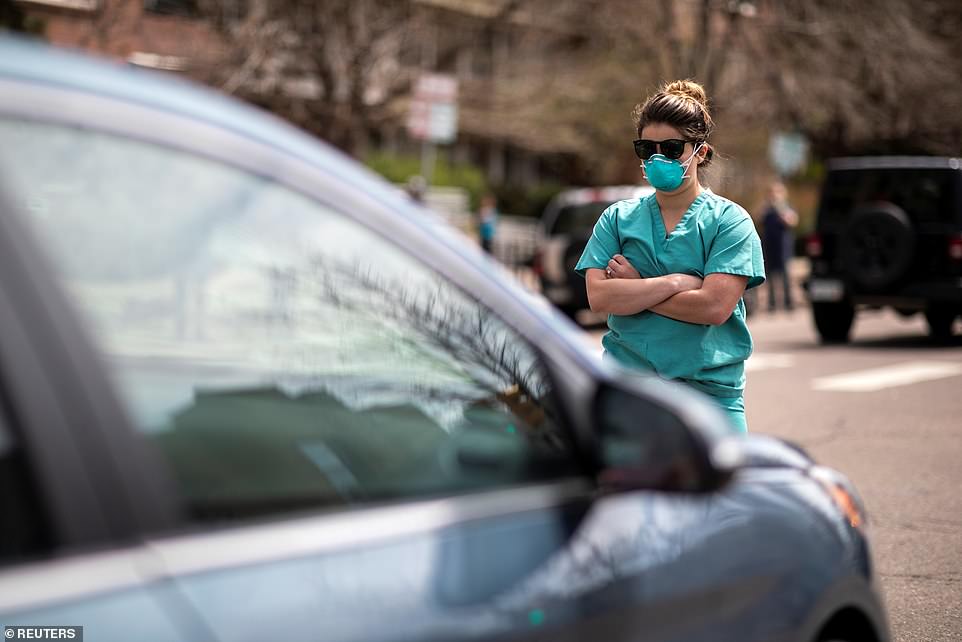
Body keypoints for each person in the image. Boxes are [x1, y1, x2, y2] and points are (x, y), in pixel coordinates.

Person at [574, 79, 765, 434]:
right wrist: (675, 283)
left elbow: (713, 307)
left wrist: (636, 291)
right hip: (629, 395)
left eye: (672, 147)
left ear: (701, 152)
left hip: (710, 402)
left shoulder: (729, 221)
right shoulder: (616, 219)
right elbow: (599, 297)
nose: (658, 158)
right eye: (647, 148)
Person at [760, 181, 799, 312]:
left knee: (786, 275)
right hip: (769, 248)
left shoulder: (786, 208)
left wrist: (780, 209)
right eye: (772, 192)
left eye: (777, 192)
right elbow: (759, 219)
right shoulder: (766, 209)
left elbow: (792, 221)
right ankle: (772, 304)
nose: (774, 195)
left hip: (783, 248)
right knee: (770, 276)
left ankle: (788, 302)